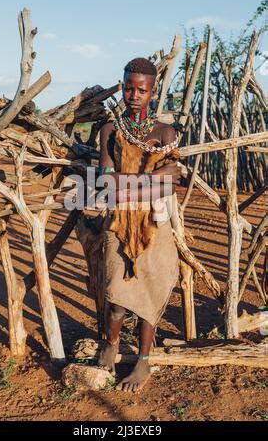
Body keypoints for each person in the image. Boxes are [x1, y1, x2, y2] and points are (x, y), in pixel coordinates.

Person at [97, 57, 180, 392]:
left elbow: (171, 180)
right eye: (128, 88)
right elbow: (104, 180)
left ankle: (143, 361)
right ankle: (111, 344)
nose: (133, 95)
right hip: (118, 220)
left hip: (154, 225)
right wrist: (147, 177)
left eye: (141, 90)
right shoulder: (109, 131)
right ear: (122, 86)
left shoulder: (165, 132)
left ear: (152, 91)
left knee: (151, 288)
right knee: (116, 290)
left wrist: (131, 180)